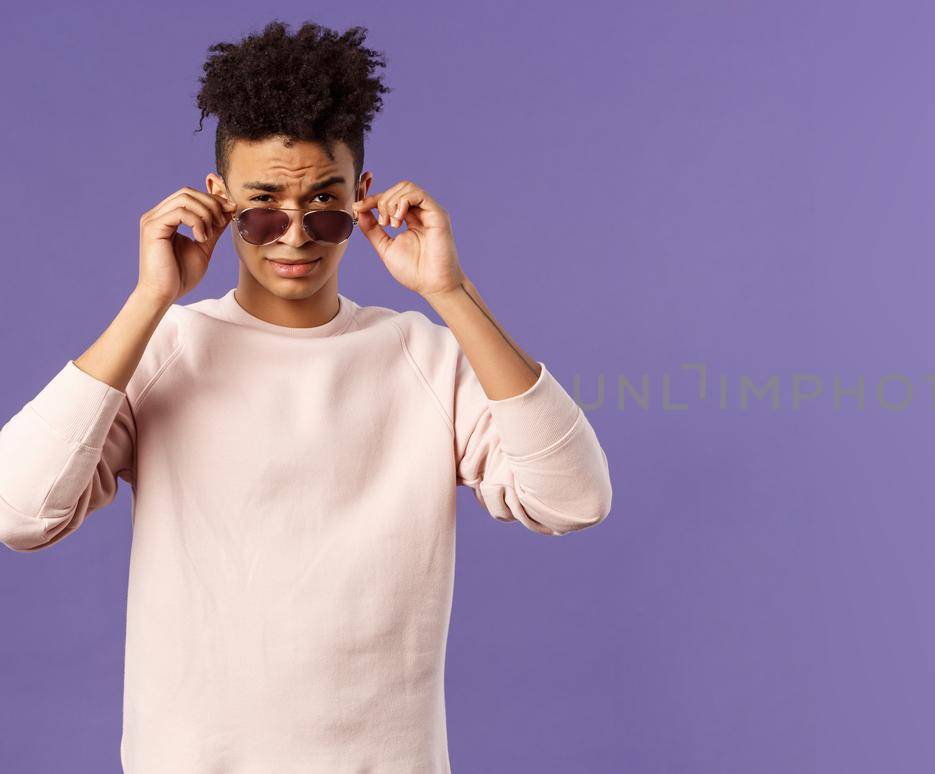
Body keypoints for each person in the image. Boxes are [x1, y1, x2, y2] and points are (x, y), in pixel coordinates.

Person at [0, 19, 613, 772]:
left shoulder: (424, 358)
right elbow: (18, 511)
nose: (294, 236)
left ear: (361, 197)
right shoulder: (164, 352)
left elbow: (574, 498)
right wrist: (149, 301)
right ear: (218, 201)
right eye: (262, 209)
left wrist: (449, 293)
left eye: (323, 206)